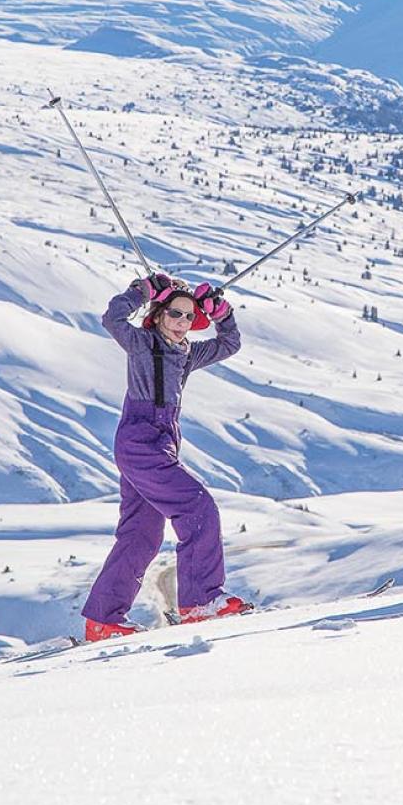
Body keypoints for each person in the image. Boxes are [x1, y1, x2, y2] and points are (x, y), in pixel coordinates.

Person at [81, 273, 247, 642]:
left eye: (190, 317)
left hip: (162, 440)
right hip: (141, 441)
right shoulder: (141, 343)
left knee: (141, 534)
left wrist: (222, 313)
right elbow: (113, 318)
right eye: (175, 314)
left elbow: (230, 343)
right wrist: (142, 291)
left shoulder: (187, 353)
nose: (182, 323)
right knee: (197, 507)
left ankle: (102, 620)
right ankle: (201, 602)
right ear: (157, 315)